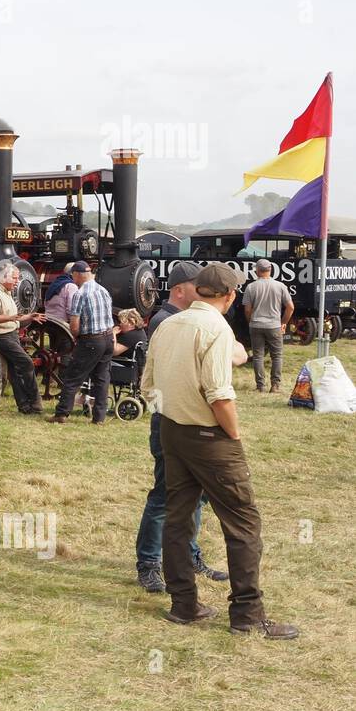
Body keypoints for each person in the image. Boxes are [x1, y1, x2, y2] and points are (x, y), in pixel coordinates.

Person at [141, 262, 298, 639]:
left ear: (197, 291)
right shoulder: (215, 328)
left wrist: (175, 411)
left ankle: (184, 605)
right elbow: (219, 392)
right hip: (209, 436)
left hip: (172, 430)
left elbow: (148, 385)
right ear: (229, 296)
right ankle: (247, 615)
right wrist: (234, 434)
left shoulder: (168, 325)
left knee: (177, 519)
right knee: (243, 524)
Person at [133, 261, 228, 592]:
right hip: (171, 420)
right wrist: (165, 414)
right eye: (196, 285)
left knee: (195, 494)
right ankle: (148, 563)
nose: (202, 291)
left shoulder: (183, 320)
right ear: (179, 289)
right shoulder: (166, 320)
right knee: (165, 495)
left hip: (186, 419)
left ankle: (189, 556)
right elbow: (153, 381)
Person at [48, 262, 115, 424]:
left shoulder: (80, 294)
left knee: (72, 377)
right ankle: (99, 418)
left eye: (73, 276)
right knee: (101, 378)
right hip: (107, 339)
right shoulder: (103, 289)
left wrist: (76, 336)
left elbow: (75, 325)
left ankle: (61, 414)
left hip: (91, 340)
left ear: (76, 275)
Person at [0, 259, 44, 414]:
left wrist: (30, 316)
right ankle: (35, 404)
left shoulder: (7, 293)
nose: (18, 282)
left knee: (14, 372)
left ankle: (25, 406)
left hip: (11, 334)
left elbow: (14, 317)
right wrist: (9, 318)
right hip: (1, 336)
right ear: (4, 278)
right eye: (15, 278)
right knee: (27, 363)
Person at [242, 257, 294, 393]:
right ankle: (275, 385)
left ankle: (260, 386)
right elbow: (290, 307)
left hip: (256, 324)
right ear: (270, 270)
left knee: (258, 356)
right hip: (274, 325)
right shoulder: (280, 286)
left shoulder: (251, 287)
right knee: (277, 356)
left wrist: (250, 321)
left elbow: (247, 309)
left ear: (257, 271)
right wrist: (283, 323)